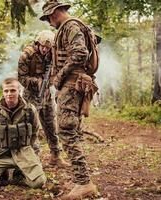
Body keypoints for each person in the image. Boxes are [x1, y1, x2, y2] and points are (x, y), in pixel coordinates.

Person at [40, 0, 98, 199]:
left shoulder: (71, 26)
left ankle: (84, 182)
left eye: (48, 17)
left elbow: (80, 53)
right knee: (71, 129)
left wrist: (59, 76)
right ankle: (82, 181)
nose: (49, 22)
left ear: (55, 12)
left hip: (72, 84)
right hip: (72, 84)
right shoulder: (70, 27)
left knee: (65, 129)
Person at [0, 78, 46, 189]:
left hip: (23, 152)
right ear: (3, 92)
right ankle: (2, 172)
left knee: (39, 183)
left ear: (19, 91)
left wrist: (29, 149)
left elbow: (34, 131)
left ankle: (19, 173)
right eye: (6, 91)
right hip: (0, 154)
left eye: (13, 90)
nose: (9, 94)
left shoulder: (29, 109)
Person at [18, 30, 68, 168]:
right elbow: (21, 78)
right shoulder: (26, 55)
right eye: (43, 46)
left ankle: (55, 156)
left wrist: (51, 81)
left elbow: (59, 71)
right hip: (31, 95)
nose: (45, 50)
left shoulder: (53, 55)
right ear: (37, 43)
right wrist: (36, 81)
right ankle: (34, 158)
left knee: (51, 124)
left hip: (46, 94)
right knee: (31, 127)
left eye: (48, 47)